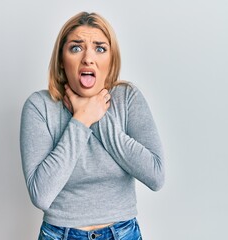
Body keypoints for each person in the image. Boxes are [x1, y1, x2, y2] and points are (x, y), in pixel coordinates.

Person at [20, 12, 165, 240]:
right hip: (59, 234)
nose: (88, 58)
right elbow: (41, 195)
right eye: (76, 48)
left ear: (111, 60)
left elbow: (156, 176)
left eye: (100, 48)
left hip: (123, 233)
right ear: (61, 59)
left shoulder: (128, 99)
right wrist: (81, 120)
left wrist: (97, 116)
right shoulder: (39, 106)